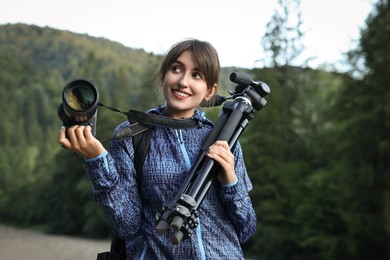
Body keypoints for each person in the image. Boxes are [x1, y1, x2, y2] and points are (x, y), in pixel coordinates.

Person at [59, 38, 256, 259]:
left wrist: (230, 181)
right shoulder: (132, 135)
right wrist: (97, 160)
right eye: (176, 69)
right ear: (164, 75)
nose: (183, 81)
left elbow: (246, 229)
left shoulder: (224, 140)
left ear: (210, 91)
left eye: (197, 75)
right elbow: (125, 226)